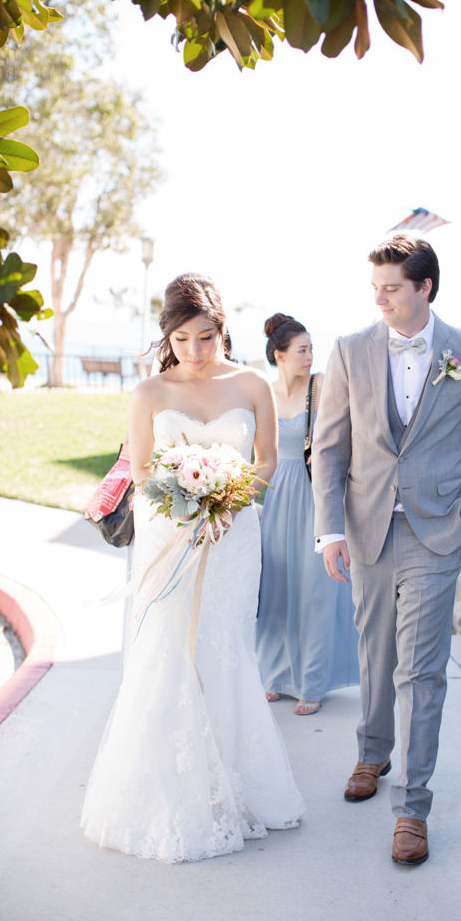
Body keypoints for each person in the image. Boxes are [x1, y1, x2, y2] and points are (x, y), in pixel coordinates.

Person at [81, 274, 304, 863]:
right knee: (171, 649)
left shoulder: (253, 382)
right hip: (168, 537)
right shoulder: (151, 392)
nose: (195, 353)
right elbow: (141, 471)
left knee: (226, 648)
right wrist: (188, 505)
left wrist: (225, 497)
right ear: (168, 338)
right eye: (182, 340)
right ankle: (168, 792)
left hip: (234, 537)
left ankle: (236, 784)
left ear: (222, 330)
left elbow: (269, 462)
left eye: (205, 338)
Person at [312, 236, 461, 865]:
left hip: (437, 531)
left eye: (392, 288)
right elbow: (330, 446)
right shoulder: (350, 350)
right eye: (375, 287)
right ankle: (373, 751)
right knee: (376, 652)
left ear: (425, 287)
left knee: (421, 671)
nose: (380, 298)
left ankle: (412, 807)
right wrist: (330, 530)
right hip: (368, 527)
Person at [255, 314, 359, 715]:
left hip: (316, 496)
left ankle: (313, 683)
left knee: (316, 591)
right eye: (302, 350)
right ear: (279, 355)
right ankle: (276, 675)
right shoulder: (263, 391)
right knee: (278, 588)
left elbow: (347, 430)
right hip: (276, 495)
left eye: (312, 349)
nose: (310, 357)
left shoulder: (321, 386)